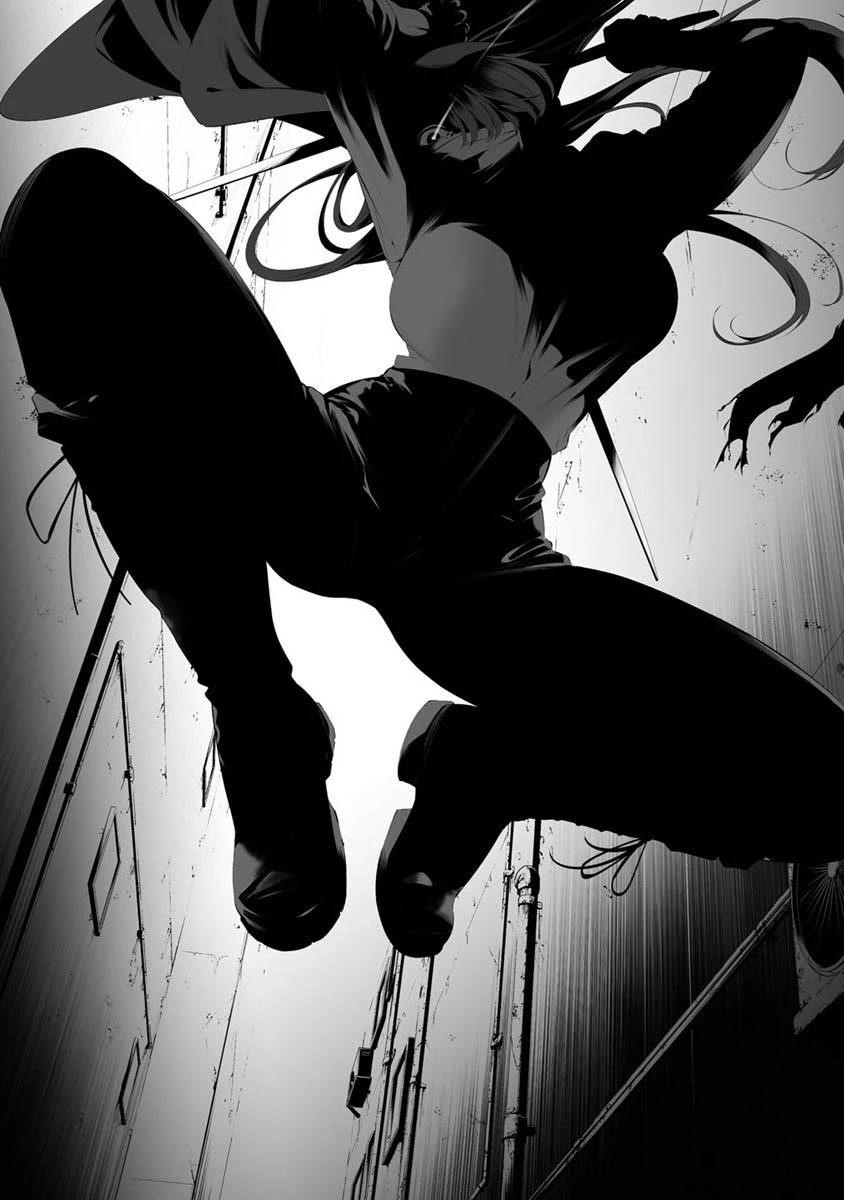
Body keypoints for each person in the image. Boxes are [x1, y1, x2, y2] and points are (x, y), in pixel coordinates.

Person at [2, 1, 843, 959]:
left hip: (495, 576)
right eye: (435, 116)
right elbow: (320, 36)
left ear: (530, 92)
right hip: (346, 476)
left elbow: (776, 56)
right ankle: (262, 720)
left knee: (832, 790)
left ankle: (487, 772)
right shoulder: (408, 157)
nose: (448, 128)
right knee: (65, 210)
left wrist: (673, 46)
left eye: (481, 101)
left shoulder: (635, 186)